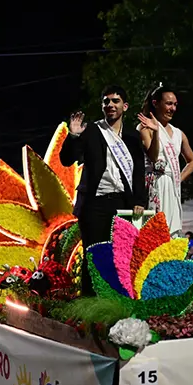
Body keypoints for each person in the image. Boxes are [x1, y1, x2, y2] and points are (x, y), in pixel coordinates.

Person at [61, 85, 147, 295]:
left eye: (115, 101)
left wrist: (139, 200)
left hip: (123, 204)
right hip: (95, 204)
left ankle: (116, 303)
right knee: (93, 255)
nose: (110, 105)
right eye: (106, 101)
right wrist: (73, 136)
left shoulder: (132, 136)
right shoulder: (91, 130)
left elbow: (138, 171)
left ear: (125, 106)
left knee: (120, 257)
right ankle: (90, 304)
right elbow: (66, 160)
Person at [136, 85, 193, 237]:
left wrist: (178, 178)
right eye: (169, 104)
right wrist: (156, 132)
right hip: (154, 185)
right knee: (154, 232)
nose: (173, 108)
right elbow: (153, 156)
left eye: (175, 104)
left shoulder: (178, 133)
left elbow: (192, 162)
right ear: (156, 103)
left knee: (172, 233)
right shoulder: (144, 128)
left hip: (172, 185)